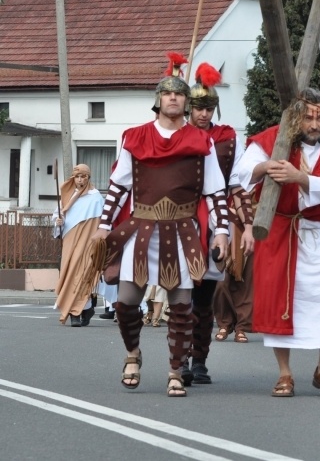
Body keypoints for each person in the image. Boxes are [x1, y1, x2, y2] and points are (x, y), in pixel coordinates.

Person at [93, 52, 230, 397]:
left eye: (179, 93)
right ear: (158, 99)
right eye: (168, 92)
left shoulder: (203, 142)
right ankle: (132, 354)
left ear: (186, 101)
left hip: (182, 230)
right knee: (125, 302)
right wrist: (104, 225)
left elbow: (215, 192)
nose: (173, 97)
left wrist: (223, 231)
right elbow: (119, 185)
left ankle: (174, 369)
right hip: (142, 228)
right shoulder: (134, 137)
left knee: (182, 306)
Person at [238, 88, 320, 397]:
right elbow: (243, 172)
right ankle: (285, 373)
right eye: (308, 117)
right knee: (281, 301)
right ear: (297, 118)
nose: (315, 124)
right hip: (281, 233)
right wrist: (268, 167)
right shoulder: (274, 140)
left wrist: (299, 177)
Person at [182, 62, 255, 385]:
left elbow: (237, 184)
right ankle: (179, 358)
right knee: (180, 294)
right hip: (180, 217)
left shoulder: (227, 139)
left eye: (209, 108)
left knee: (203, 298)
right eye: (198, 107)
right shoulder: (176, 135)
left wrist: (248, 224)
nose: (203, 114)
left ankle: (199, 360)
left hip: (215, 220)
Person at [52, 164, 105, 327]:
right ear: (73, 178)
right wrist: (58, 222)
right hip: (70, 242)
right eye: (77, 177)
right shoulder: (67, 197)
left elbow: (103, 223)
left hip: (88, 245)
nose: (80, 180)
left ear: (88, 178)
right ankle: (86, 309)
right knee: (70, 275)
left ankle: (75, 312)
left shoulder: (96, 197)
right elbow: (58, 217)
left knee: (82, 276)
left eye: (83, 176)